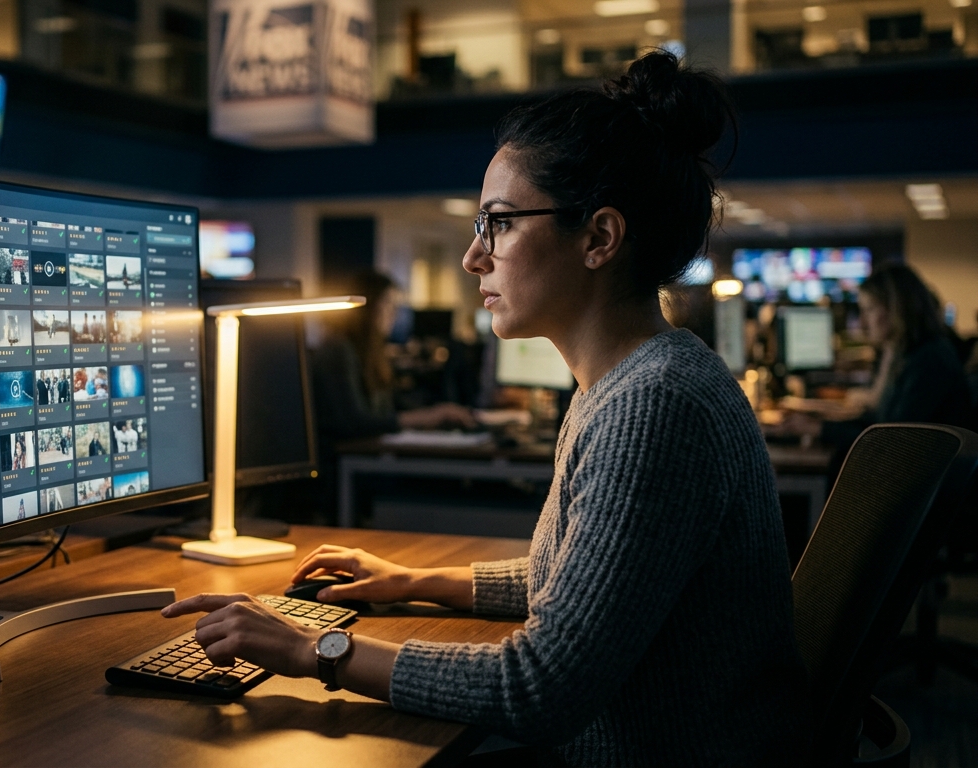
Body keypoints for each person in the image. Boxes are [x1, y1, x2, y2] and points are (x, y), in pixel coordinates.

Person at [162, 51, 806, 766]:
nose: (474, 257)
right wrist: (414, 582)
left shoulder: (654, 404)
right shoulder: (631, 379)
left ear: (599, 238)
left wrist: (314, 646)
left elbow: (540, 687)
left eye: (498, 223)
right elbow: (575, 581)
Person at [773, 263, 975, 451]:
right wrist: (818, 424)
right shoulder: (909, 354)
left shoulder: (930, 361)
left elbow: (892, 438)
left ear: (897, 309)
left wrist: (819, 429)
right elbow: (880, 422)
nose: (862, 322)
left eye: (868, 309)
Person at [309, 271, 477, 441]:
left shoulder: (370, 353)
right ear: (368, 307)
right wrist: (429, 416)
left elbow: (390, 409)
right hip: (345, 461)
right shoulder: (337, 350)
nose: (394, 312)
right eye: (388, 303)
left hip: (363, 456)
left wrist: (439, 413)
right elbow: (355, 422)